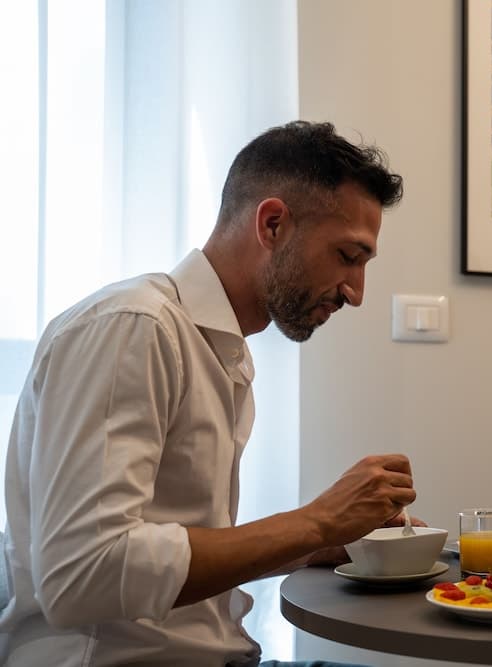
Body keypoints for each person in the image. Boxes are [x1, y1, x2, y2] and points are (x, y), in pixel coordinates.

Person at [0, 121, 411, 666]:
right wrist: (315, 520)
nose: (356, 293)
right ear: (272, 224)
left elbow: (167, 553)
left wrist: (316, 543)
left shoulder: (218, 351)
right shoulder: (134, 327)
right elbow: (83, 574)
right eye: (347, 256)